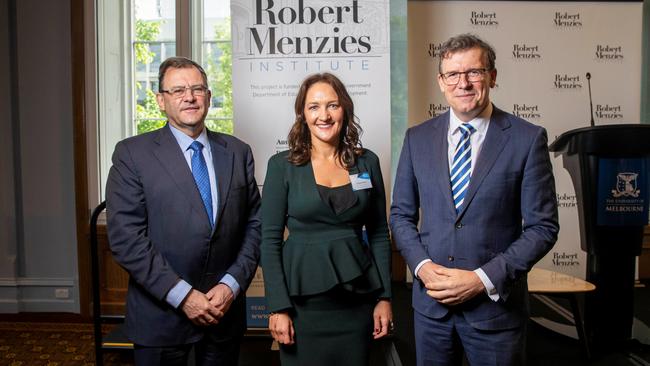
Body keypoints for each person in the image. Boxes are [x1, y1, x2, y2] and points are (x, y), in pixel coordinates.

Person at [390, 34, 559, 365]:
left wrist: (482, 279)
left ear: (492, 76)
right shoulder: (417, 139)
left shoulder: (527, 139)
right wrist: (423, 268)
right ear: (441, 82)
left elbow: (542, 227)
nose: (463, 83)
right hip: (431, 311)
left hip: (495, 313)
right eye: (452, 74)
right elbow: (400, 215)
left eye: (474, 72)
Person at [106, 56, 261, 365]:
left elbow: (255, 226)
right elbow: (126, 239)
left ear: (209, 96)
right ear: (161, 101)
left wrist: (230, 286)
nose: (189, 97)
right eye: (178, 90)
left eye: (197, 88)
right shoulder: (132, 154)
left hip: (223, 313)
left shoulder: (237, 152)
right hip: (161, 317)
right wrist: (184, 296)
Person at [260, 72, 393, 365]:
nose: (324, 115)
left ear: (344, 109)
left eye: (332, 105)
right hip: (301, 305)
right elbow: (268, 240)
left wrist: (385, 298)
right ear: (302, 114)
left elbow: (380, 232)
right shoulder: (282, 166)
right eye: (314, 107)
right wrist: (277, 307)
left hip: (357, 301)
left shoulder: (366, 161)